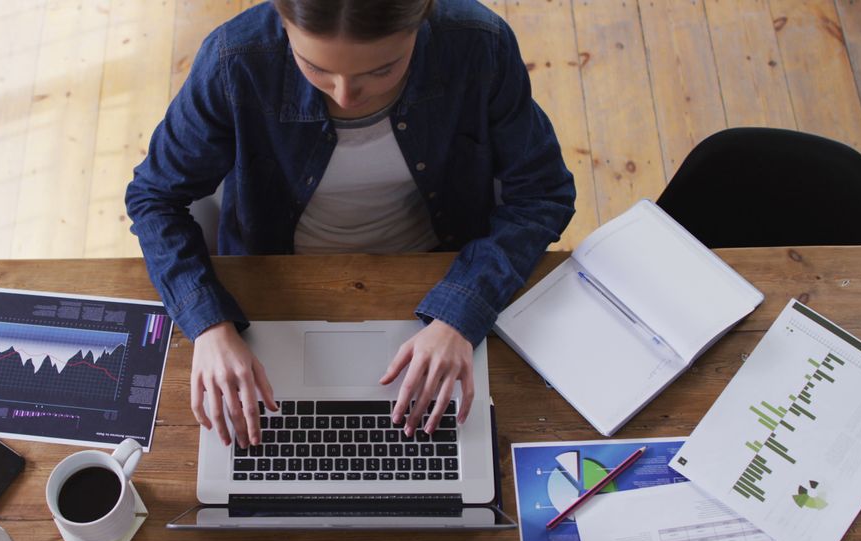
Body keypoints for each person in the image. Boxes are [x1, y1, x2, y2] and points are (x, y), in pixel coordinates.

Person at [125, 0, 575, 450]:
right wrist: (209, 326)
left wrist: (461, 316)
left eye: (381, 71)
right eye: (315, 67)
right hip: (275, 285)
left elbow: (541, 194)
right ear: (282, 23)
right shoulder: (235, 58)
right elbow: (154, 197)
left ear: (422, 21)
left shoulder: (479, 45)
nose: (344, 95)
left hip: (441, 274)